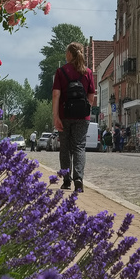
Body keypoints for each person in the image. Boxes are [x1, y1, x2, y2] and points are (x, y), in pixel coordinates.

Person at [52, 42, 96, 193]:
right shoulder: (88, 72)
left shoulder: (61, 72)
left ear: (69, 54)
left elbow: (56, 95)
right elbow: (91, 95)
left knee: (65, 147)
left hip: (65, 115)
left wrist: (56, 115)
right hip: (82, 116)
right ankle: (78, 178)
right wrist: (86, 109)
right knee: (79, 146)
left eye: (66, 53)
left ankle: (66, 180)